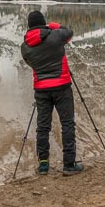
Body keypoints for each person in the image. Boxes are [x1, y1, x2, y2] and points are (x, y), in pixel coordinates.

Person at [20, 10, 83, 176]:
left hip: (41, 89)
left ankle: (43, 165)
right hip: (62, 86)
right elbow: (69, 32)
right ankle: (69, 164)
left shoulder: (25, 47)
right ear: (43, 23)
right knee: (67, 124)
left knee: (42, 127)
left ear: (29, 26)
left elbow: (30, 63)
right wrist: (54, 26)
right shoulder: (55, 36)